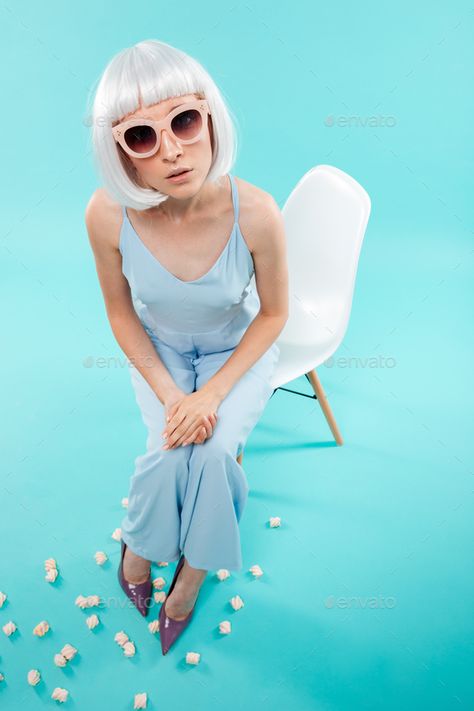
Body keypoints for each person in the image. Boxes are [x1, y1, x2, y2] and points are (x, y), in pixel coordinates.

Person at [84, 39, 288, 653]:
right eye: (141, 137)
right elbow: (121, 316)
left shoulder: (256, 211)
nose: (172, 149)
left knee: (217, 451)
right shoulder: (106, 215)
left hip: (237, 350)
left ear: (209, 117)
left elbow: (275, 315)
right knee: (170, 449)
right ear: (121, 155)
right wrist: (175, 395)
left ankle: (189, 579)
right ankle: (141, 547)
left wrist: (213, 396)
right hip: (161, 353)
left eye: (184, 120)